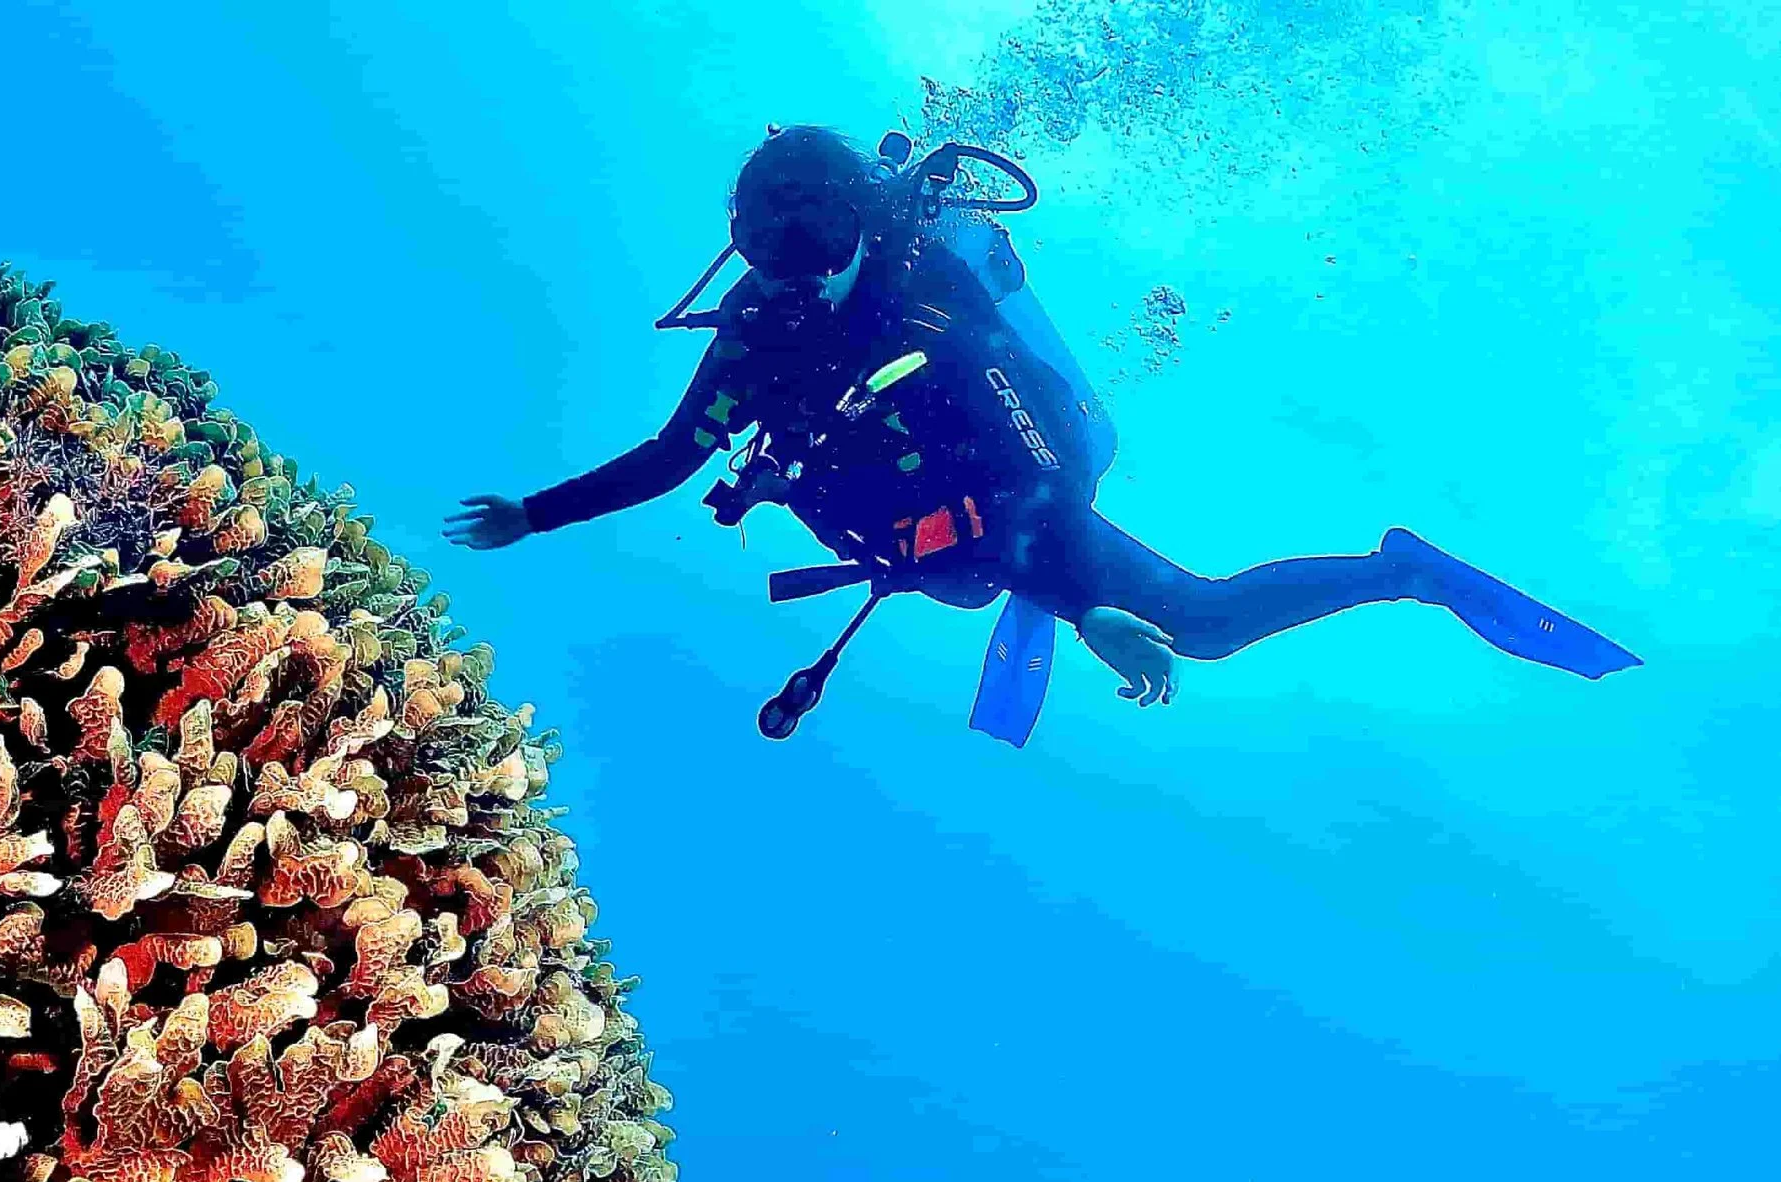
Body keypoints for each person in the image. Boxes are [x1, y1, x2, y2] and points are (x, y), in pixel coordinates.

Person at [445, 125, 1638, 741]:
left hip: (1017, 505)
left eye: (811, 256)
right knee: (960, 586)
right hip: (920, 543)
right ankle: (1023, 590)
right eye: (768, 260)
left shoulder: (932, 304)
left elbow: (1047, 471)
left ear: (861, 229)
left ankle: (1403, 569)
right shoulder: (757, 332)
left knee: (1206, 627)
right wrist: (533, 513)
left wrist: (1084, 604)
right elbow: (671, 457)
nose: (795, 284)